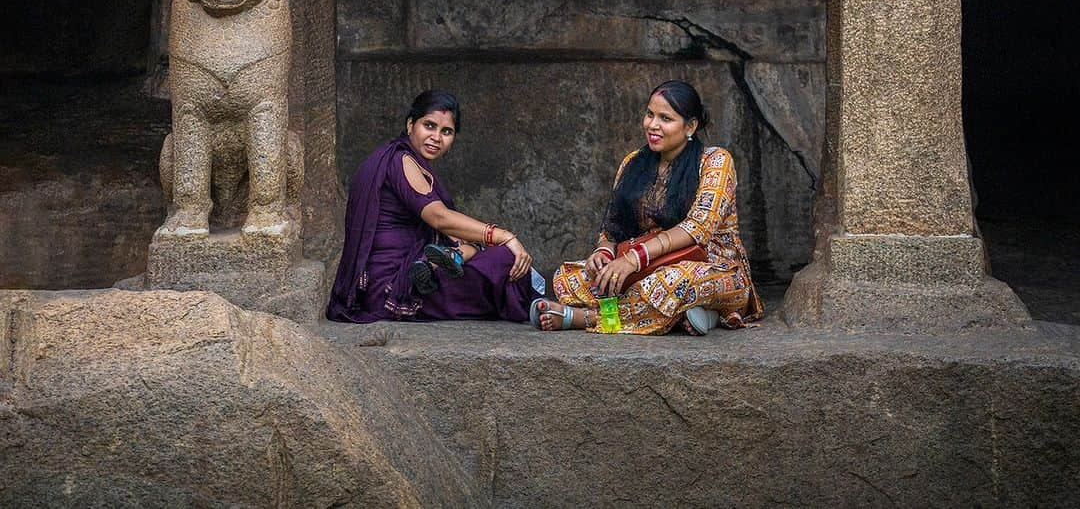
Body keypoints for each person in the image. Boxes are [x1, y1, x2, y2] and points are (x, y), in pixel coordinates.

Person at [533, 80, 763, 335]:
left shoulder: (715, 161)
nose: (653, 125)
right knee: (568, 278)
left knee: (671, 285)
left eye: (665, 118)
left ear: (691, 126)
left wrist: (634, 259)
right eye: (650, 114)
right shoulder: (633, 162)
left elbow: (697, 228)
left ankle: (587, 318)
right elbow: (614, 227)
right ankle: (688, 316)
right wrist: (604, 255)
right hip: (647, 267)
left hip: (712, 269)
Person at [327, 89, 542, 324]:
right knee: (503, 260)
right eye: (429, 126)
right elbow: (439, 217)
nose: (436, 137)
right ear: (410, 124)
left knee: (478, 253)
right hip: (394, 287)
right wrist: (503, 236)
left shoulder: (405, 160)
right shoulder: (401, 161)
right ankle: (539, 306)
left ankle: (442, 263)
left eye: (446, 131)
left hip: (388, 282)